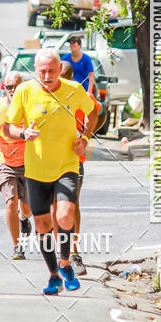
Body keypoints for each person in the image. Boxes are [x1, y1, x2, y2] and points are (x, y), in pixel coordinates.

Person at [3, 49, 97, 294]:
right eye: (42, 71)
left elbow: (94, 111)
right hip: (35, 170)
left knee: (65, 215)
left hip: (67, 166)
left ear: (59, 69)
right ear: (35, 70)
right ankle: (54, 274)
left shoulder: (74, 90)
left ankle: (65, 262)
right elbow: (7, 127)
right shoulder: (24, 91)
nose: (47, 75)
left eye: (51, 71)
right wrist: (23, 134)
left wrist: (85, 137)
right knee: (42, 225)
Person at [59, 61, 106, 276]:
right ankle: (63, 255)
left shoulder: (79, 94)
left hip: (74, 160)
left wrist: (86, 136)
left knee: (72, 205)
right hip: (51, 160)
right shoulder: (48, 93)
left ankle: (73, 254)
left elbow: (98, 111)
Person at [0, 71, 33, 260]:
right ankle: (17, 246)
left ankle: (24, 218)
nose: (12, 90)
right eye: (8, 87)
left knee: (27, 208)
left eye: (16, 86)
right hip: (5, 161)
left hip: (29, 162)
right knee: (11, 202)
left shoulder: (30, 106)